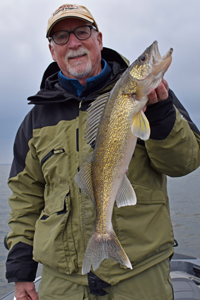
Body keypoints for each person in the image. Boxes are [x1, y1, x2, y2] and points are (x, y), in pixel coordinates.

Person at [5, 4, 200, 300]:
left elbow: (185, 162)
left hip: (139, 276)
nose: (73, 43)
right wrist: (21, 272)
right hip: (63, 283)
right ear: (51, 50)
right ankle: (102, 234)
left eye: (82, 32)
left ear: (99, 39)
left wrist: (161, 116)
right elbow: (25, 198)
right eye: (61, 37)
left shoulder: (153, 97)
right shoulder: (35, 120)